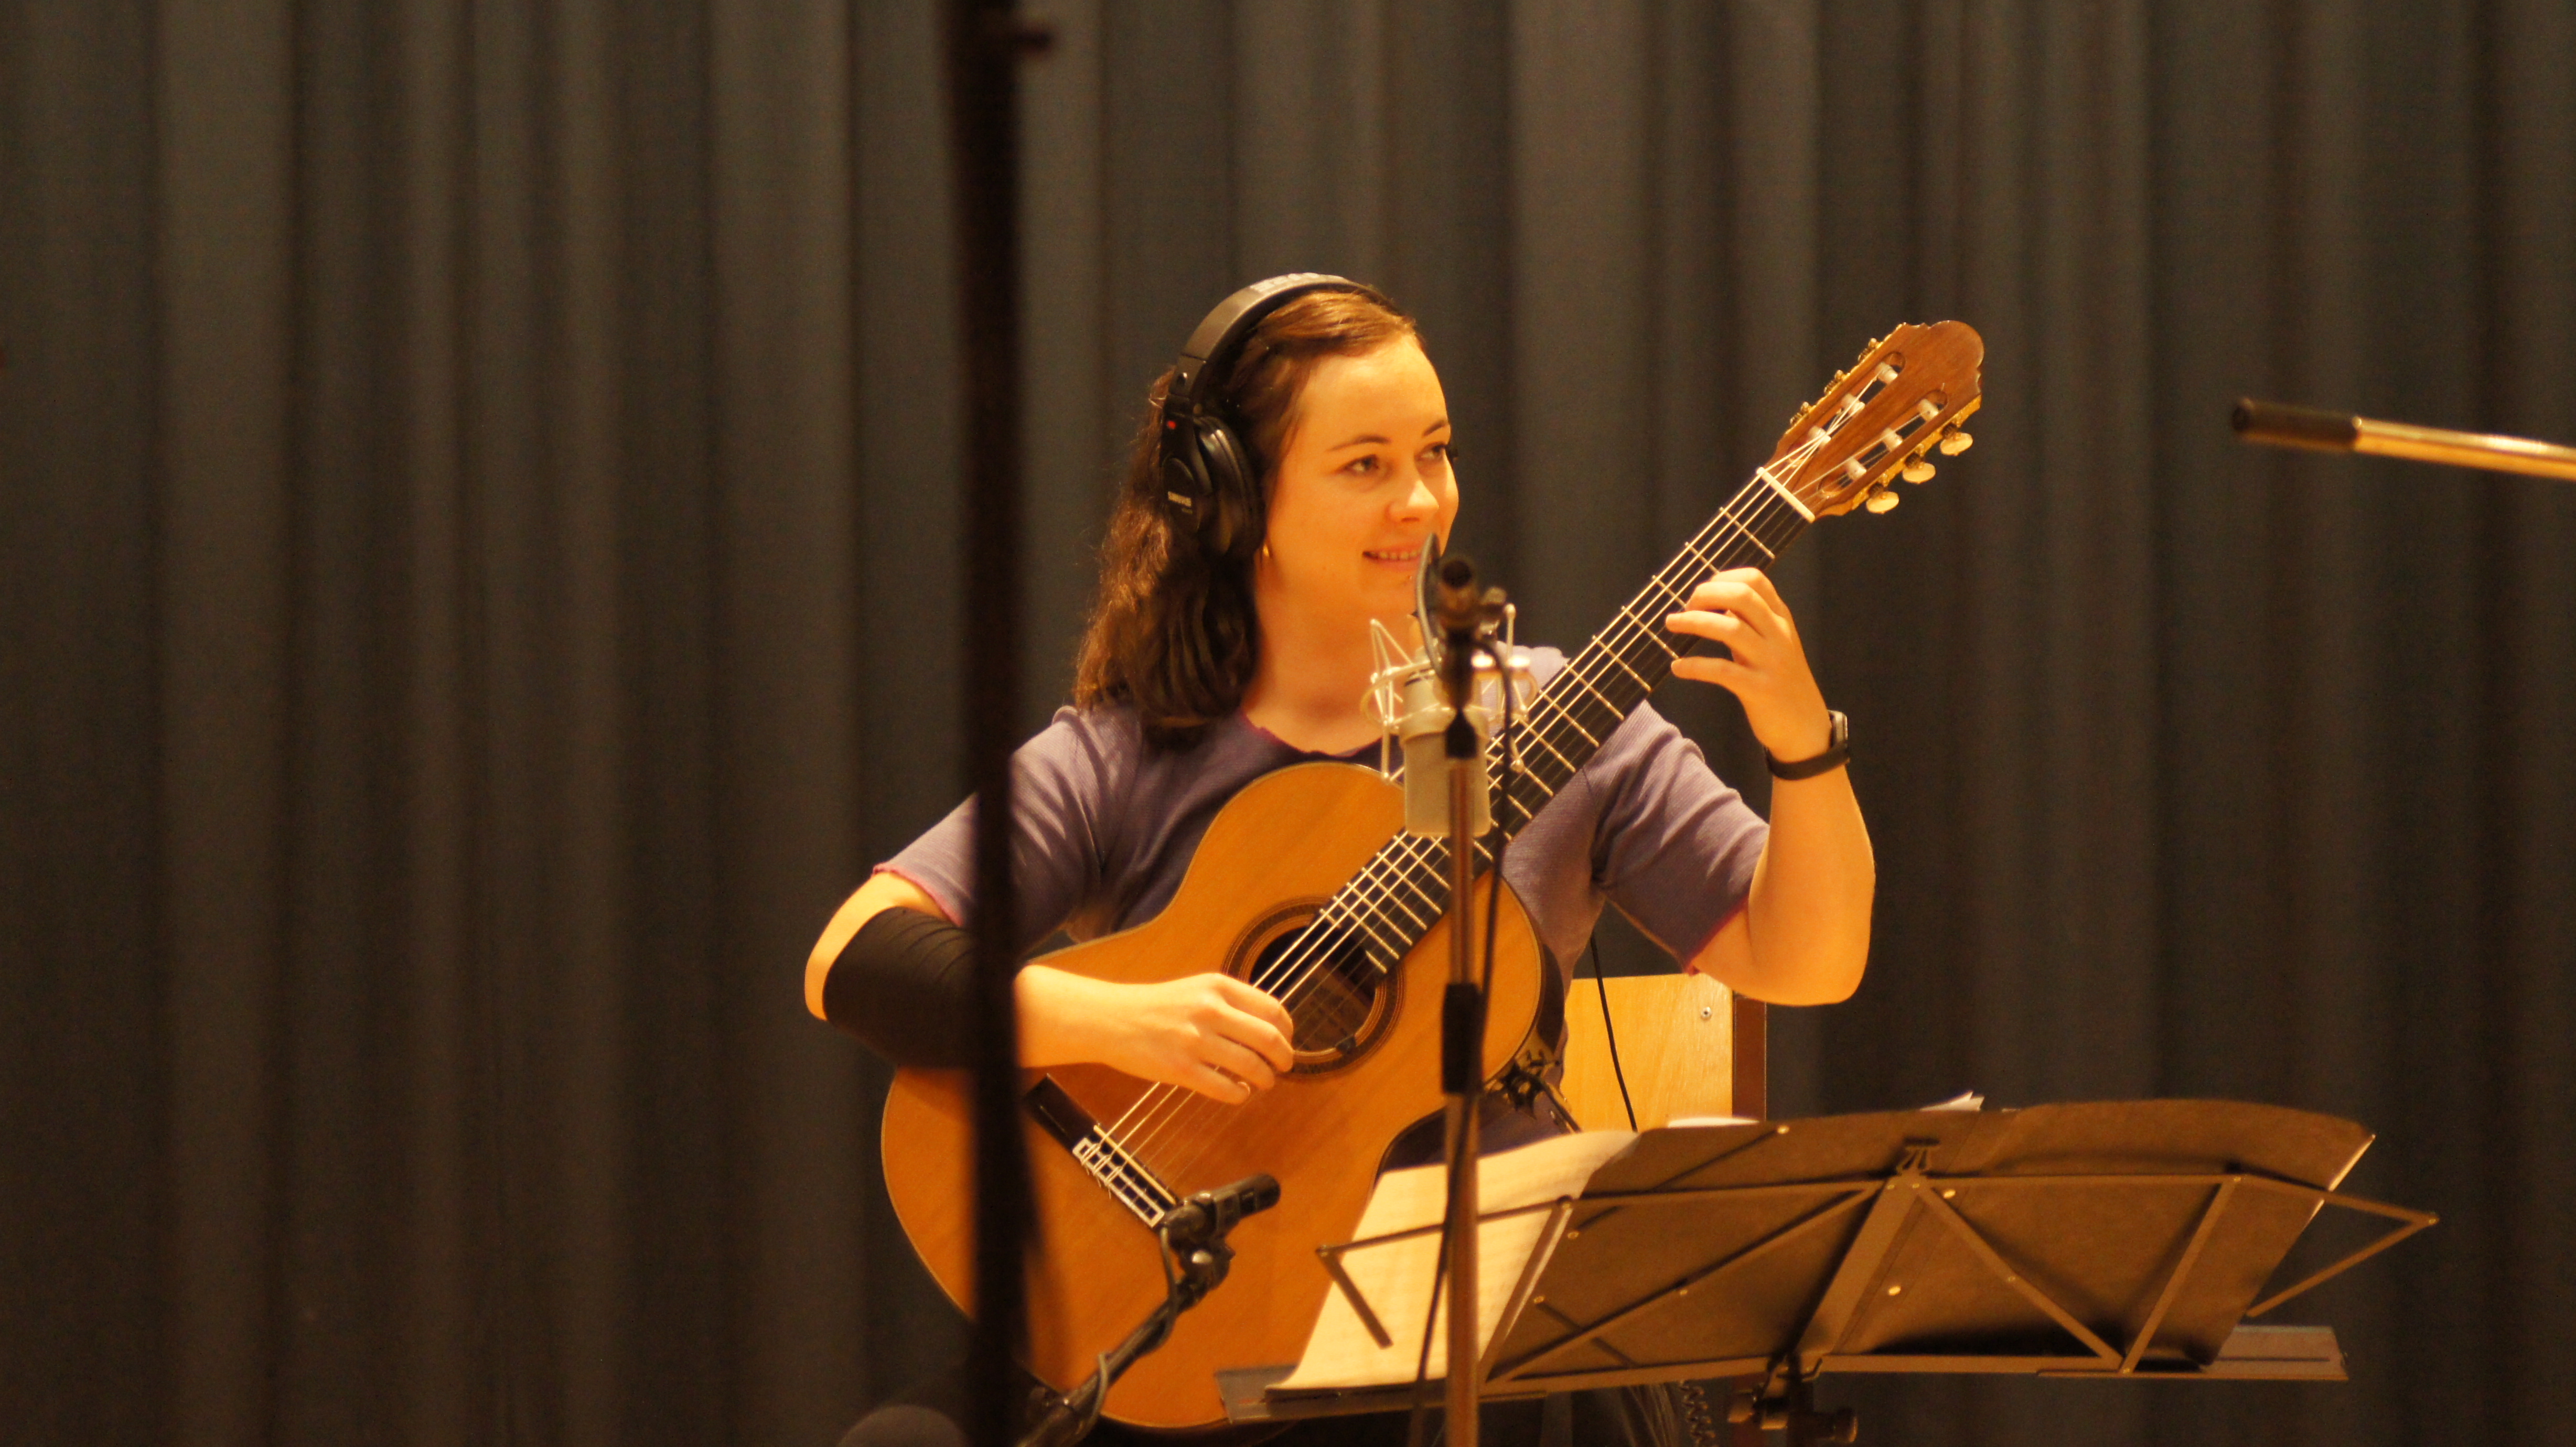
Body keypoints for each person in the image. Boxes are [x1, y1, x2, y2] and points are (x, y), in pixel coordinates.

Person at [809, 278, 1873, 1447]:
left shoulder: (1566, 723)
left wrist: (1800, 745)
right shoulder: (1124, 751)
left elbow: (1804, 961)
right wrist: (1126, 1025)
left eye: (1435, 452)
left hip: (1468, 1335)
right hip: (1176, 1297)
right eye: (1363, 465)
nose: (1419, 501)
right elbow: (854, 959)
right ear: (1235, 500)